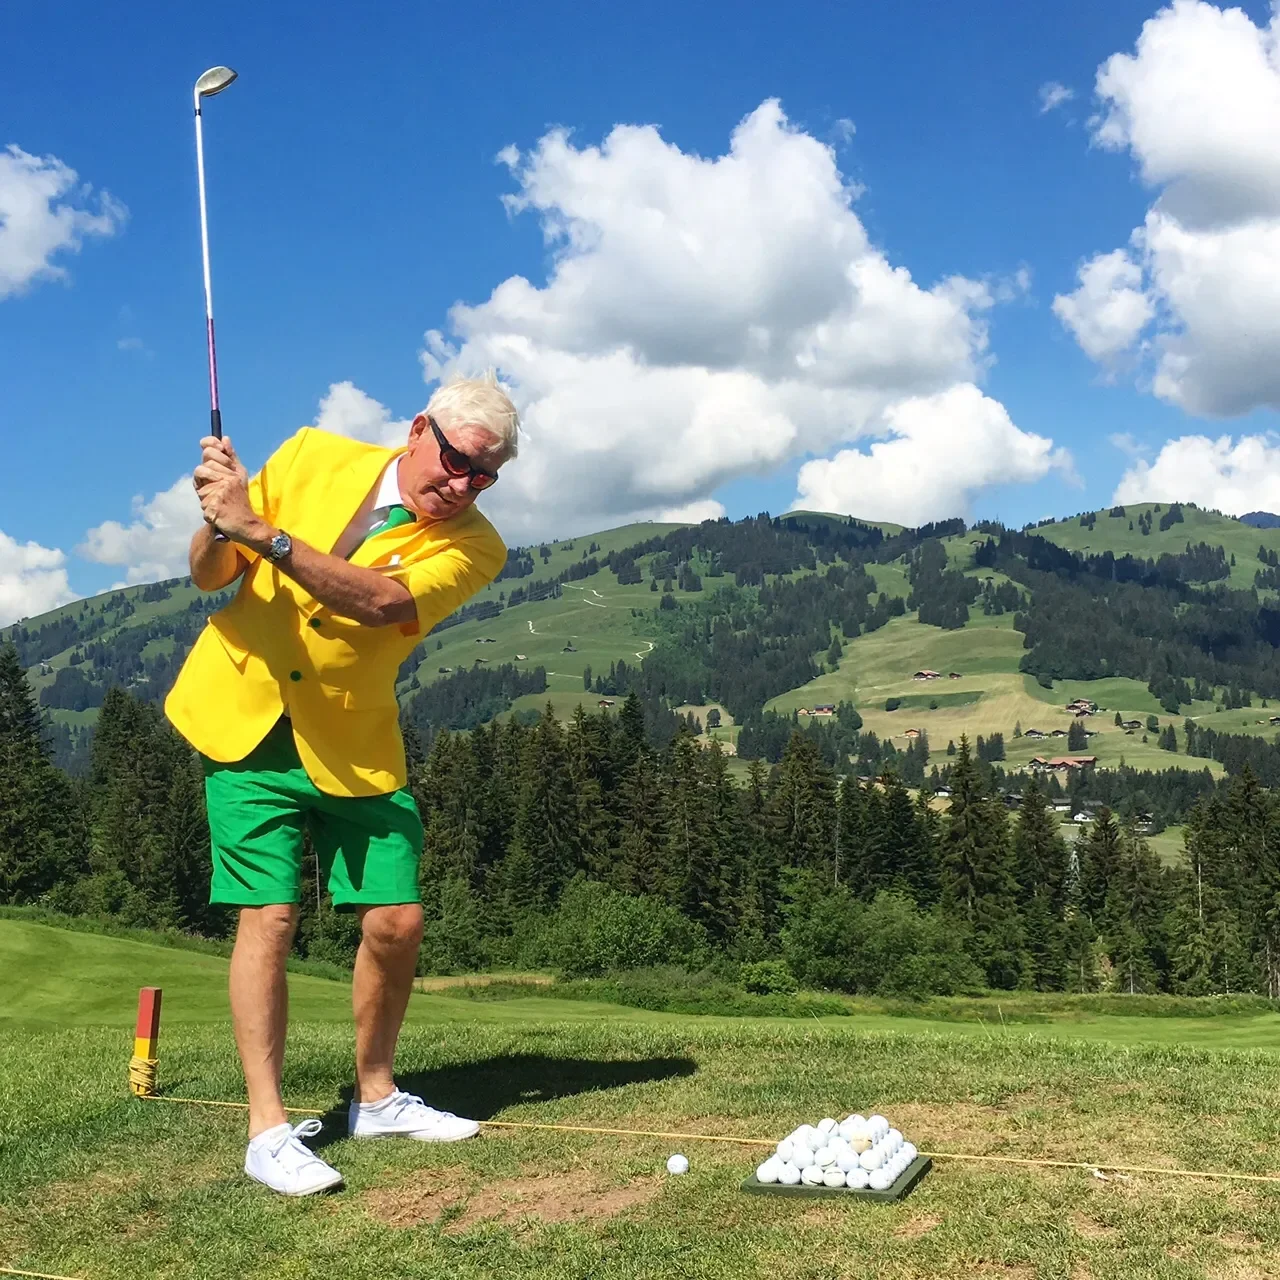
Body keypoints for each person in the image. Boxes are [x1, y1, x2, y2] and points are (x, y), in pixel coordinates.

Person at [164, 373, 518, 1196]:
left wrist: (264, 533)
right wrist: (221, 518)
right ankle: (268, 1128)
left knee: (397, 919)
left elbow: (385, 602)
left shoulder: (477, 545)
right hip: (246, 719)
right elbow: (210, 574)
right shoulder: (312, 453)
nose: (464, 485)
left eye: (485, 475)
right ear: (419, 428)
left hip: (354, 740)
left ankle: (377, 1095)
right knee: (271, 914)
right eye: (460, 461)